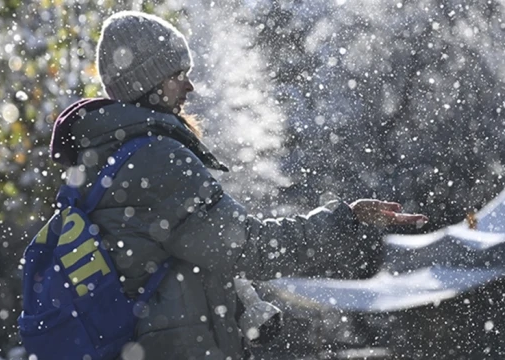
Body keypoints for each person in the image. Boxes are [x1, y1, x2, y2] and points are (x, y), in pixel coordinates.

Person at [49, 11, 428, 360]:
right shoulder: (155, 159)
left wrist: (241, 306)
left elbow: (187, 257)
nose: (190, 86)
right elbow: (247, 246)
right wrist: (344, 220)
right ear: (149, 83)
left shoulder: (104, 157)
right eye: (178, 73)